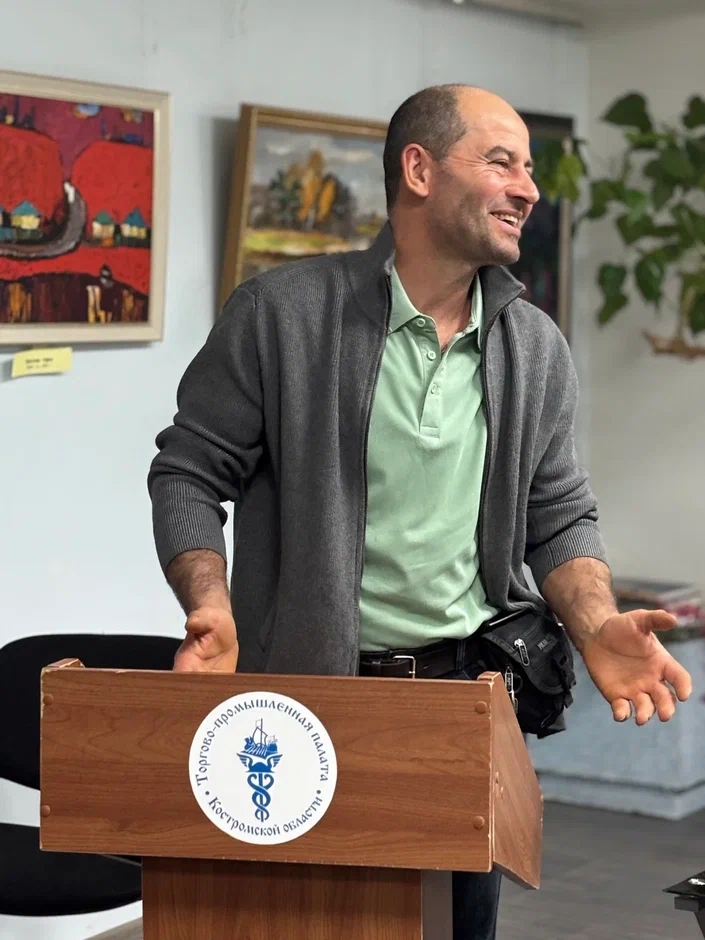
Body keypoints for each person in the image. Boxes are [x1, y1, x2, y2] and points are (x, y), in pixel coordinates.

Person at [148, 84, 692, 939]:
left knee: (457, 928)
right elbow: (188, 470)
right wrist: (209, 602)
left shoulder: (534, 348)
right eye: (501, 162)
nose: (528, 189)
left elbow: (556, 513)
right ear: (419, 169)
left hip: (464, 707)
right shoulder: (282, 314)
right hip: (307, 701)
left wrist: (594, 624)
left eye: (529, 169)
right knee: (307, 926)